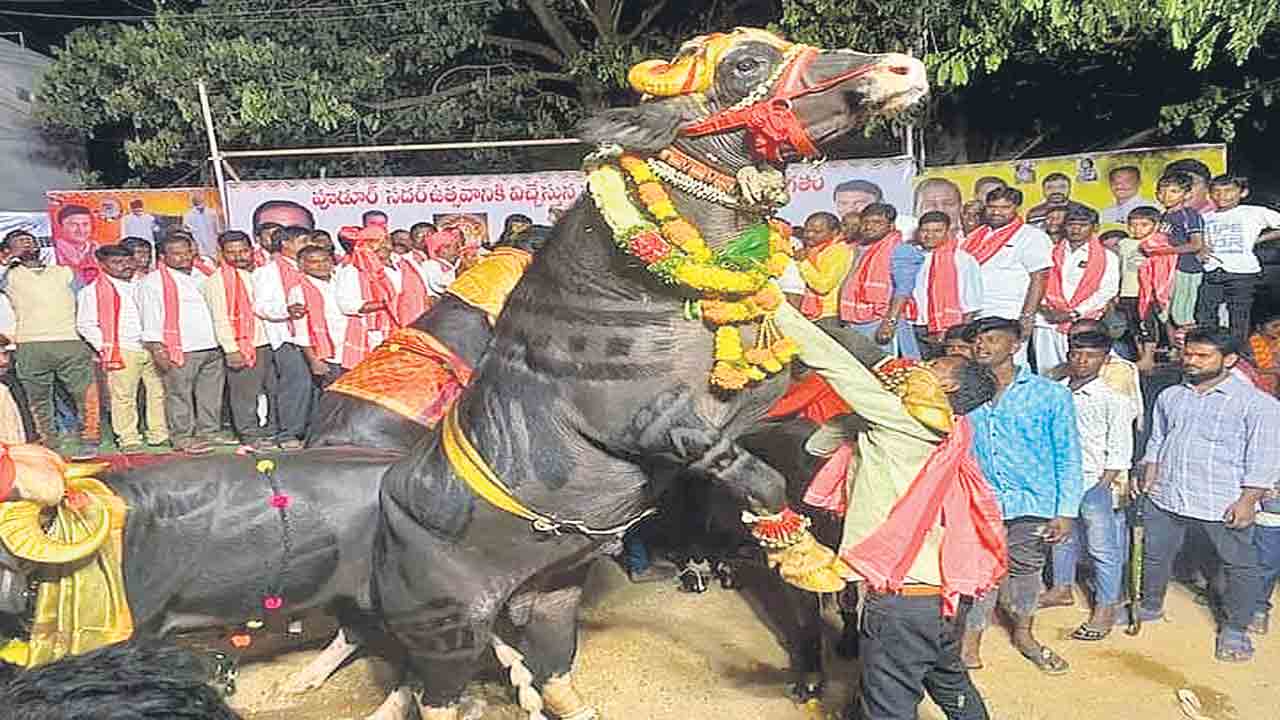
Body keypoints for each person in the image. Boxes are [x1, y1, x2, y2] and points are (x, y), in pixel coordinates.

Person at [774, 301, 1001, 720]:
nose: (917, 367)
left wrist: (773, 306)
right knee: (950, 683)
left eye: (932, 367)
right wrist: (861, 418)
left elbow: (834, 365)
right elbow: (818, 445)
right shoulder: (951, 429)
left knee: (888, 708)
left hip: (903, 604)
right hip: (941, 599)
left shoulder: (904, 421)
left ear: (947, 389)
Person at [1136, 326, 1280, 663]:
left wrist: (1248, 500)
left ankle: (1235, 629)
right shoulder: (1171, 395)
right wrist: (1150, 471)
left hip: (1222, 500)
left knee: (1239, 565)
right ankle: (1150, 606)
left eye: (1203, 356)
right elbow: (1158, 439)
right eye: (1188, 354)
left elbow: (1264, 457)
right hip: (1168, 493)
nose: (1191, 361)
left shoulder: (1257, 404)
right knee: (1156, 555)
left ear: (1229, 360)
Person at [962, 317, 1082, 675]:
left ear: (1014, 346)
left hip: (1034, 502)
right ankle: (970, 641)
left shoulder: (1050, 394)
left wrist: (1065, 511)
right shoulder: (963, 394)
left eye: (992, 339)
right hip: (981, 501)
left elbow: (1068, 454)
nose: (982, 346)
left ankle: (1025, 634)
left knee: (1027, 569)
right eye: (978, 340)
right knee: (980, 571)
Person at [1038, 331, 1135, 638]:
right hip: (1059, 479)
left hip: (1094, 481)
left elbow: (1119, 452)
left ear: (1105, 360)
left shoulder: (1114, 400)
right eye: (1076, 354)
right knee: (1060, 536)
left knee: (1102, 547)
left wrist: (1101, 487)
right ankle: (1061, 588)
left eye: (1091, 356)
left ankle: (1106, 606)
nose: (1082, 361)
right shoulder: (1056, 391)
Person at [0, 230, 99, 456]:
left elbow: (86, 303)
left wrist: (89, 339)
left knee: (84, 393)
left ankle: (90, 439)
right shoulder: (9, 276)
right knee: (38, 399)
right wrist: (7, 261)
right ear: (8, 250)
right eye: (19, 242)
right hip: (29, 345)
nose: (27, 244)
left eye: (30, 241)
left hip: (70, 341)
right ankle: (49, 444)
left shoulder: (64, 272)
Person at [75, 244, 168, 453]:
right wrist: (106, 347)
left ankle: (159, 434)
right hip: (122, 349)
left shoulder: (145, 284)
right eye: (117, 262)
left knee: (158, 393)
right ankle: (128, 438)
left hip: (152, 345)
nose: (125, 266)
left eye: (128, 261)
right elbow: (86, 325)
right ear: (102, 265)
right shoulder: (92, 292)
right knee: (124, 397)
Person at [139, 234, 223, 455]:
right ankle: (182, 437)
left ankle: (209, 431)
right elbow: (150, 318)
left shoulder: (205, 274)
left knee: (210, 394)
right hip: (179, 348)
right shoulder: (153, 282)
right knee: (179, 395)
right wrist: (157, 348)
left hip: (213, 344)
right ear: (163, 257)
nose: (184, 257)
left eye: (187, 252)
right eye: (176, 254)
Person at [962, 187, 1053, 360]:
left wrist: (1027, 316)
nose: (997, 212)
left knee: (1010, 363)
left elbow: (1039, 277)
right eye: (992, 207)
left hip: (1009, 313)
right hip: (975, 312)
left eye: (1005, 207)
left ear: (1017, 208)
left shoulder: (1031, 236)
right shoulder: (976, 236)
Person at [203, 231, 270, 451]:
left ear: (251, 250)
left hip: (268, 341)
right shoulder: (218, 281)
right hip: (242, 345)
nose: (239, 256)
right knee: (244, 394)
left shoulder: (262, 272)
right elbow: (220, 318)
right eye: (232, 252)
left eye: (243, 251)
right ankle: (249, 435)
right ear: (221, 254)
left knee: (271, 391)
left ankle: (269, 430)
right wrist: (231, 349)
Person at [1034, 206, 1120, 372]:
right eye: (1071, 224)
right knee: (1048, 371)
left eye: (1083, 225)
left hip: (1084, 323)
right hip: (1047, 321)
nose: (1076, 229)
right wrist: (1044, 308)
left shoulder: (1107, 257)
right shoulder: (1049, 252)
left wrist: (1074, 313)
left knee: (1083, 369)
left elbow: (1107, 291)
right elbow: (1038, 281)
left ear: (1095, 227)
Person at [1200, 175, 1280, 348]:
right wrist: (1201, 249)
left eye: (1228, 191)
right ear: (1210, 194)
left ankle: (1238, 352)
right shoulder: (1205, 217)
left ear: (1243, 193)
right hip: (1212, 270)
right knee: (1205, 313)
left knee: (1238, 315)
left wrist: (1259, 239)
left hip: (1242, 272)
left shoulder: (1253, 212)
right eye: (1216, 191)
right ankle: (1212, 349)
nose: (1222, 196)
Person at [252, 225, 312, 450]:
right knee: (297, 383)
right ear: (286, 244)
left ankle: (309, 430)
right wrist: (287, 310)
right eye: (303, 241)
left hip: (313, 335)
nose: (308, 246)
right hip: (286, 335)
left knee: (313, 385)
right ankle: (288, 434)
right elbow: (260, 306)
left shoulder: (308, 266)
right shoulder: (267, 272)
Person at [838, 203, 923, 357]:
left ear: (891, 226)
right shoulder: (856, 249)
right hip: (855, 321)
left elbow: (903, 290)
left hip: (881, 322)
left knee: (888, 368)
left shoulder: (901, 250)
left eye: (877, 222)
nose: (869, 227)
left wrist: (890, 323)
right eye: (866, 222)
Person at [911, 211, 982, 360]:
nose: (930, 235)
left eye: (937, 231)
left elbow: (972, 304)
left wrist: (958, 336)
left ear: (948, 232)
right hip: (913, 324)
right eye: (925, 230)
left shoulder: (963, 259)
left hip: (948, 329)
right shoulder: (911, 256)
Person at [335, 225, 398, 367]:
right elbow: (346, 305)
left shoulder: (398, 267)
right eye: (376, 242)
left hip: (397, 329)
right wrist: (387, 304)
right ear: (364, 246)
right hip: (370, 332)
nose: (384, 246)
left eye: (386, 241)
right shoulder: (352, 271)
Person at [289, 245, 349, 389]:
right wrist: (314, 360)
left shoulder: (343, 282)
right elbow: (301, 330)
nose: (321, 265)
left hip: (352, 350)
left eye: (325, 260)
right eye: (314, 262)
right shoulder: (299, 291)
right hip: (328, 356)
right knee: (335, 396)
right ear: (301, 265)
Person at [1156, 172, 1207, 329]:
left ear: (1187, 194)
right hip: (1168, 269)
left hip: (1186, 268)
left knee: (1182, 315)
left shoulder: (1189, 215)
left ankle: (1193, 342)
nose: (1166, 196)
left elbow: (1196, 244)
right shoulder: (1164, 216)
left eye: (1174, 191)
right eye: (1162, 191)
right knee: (1165, 313)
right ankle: (1175, 344)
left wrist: (1166, 251)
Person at [795, 212, 854, 323]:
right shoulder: (814, 250)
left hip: (826, 316)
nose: (810, 235)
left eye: (817, 232)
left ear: (834, 232)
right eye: (807, 231)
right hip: (810, 315)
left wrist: (803, 262)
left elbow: (823, 286)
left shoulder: (839, 251)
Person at [54, 204, 97, 281]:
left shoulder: (97, 249)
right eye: (74, 225)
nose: (81, 230)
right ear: (61, 227)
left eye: (85, 224)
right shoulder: (53, 251)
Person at [422, 228, 464, 297]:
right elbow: (442, 285)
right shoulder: (429, 265)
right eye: (455, 246)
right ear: (441, 249)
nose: (458, 248)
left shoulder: (457, 262)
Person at [182, 192, 222, 258]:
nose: (199, 201)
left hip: (212, 240)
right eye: (197, 200)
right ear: (194, 201)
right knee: (202, 256)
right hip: (198, 240)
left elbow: (218, 227)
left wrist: (218, 237)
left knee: (214, 255)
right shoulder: (188, 215)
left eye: (201, 199)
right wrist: (194, 230)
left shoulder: (212, 212)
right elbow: (185, 228)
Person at [1249, 314, 1280, 396]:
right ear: (1259, 327)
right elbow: (1249, 370)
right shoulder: (1250, 346)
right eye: (1275, 326)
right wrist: (1275, 370)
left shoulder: (1276, 340)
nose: (1279, 329)